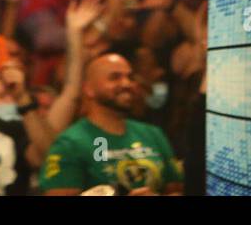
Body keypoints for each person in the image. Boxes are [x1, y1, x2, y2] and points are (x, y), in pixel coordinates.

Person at [40, 53, 183, 195]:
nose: (127, 84)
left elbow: (177, 190)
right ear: (89, 89)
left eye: (130, 77)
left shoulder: (153, 134)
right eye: (115, 77)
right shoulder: (69, 144)